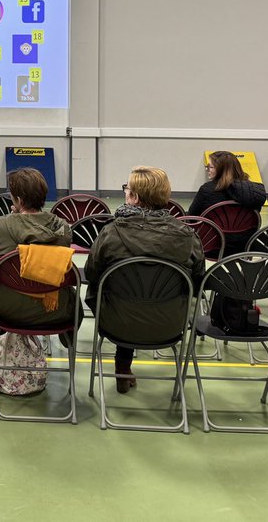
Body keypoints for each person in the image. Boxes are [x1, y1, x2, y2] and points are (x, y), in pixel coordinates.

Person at [85, 166, 204, 392]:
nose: (124, 192)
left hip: (117, 322)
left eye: (126, 188)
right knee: (138, 299)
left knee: (121, 296)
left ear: (135, 197)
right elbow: (198, 283)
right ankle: (125, 369)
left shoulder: (111, 232)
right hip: (170, 323)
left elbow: (92, 273)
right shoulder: (187, 236)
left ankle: (122, 368)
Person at [0, 167, 78, 348]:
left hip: (7, 308)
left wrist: (14, 217)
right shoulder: (63, 229)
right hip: (54, 310)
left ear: (18, 200)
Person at [186, 151, 266, 245]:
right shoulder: (252, 192)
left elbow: (192, 217)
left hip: (211, 244)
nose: (207, 169)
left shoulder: (207, 190)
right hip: (245, 244)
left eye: (210, 167)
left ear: (221, 170)